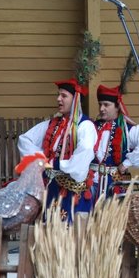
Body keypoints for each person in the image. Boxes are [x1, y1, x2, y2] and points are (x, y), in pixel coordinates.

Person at [17, 78, 98, 222]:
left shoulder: (85, 126)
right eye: (58, 95)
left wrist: (61, 165)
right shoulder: (52, 124)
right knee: (50, 229)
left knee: (72, 233)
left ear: (75, 100)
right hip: (52, 188)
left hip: (73, 191)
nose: (58, 99)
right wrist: (43, 159)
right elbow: (24, 140)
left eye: (64, 96)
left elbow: (85, 151)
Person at [91, 84, 139, 199]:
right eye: (100, 104)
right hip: (91, 184)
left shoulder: (127, 129)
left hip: (114, 185)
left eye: (106, 105)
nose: (101, 109)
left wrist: (127, 163)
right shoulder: (92, 127)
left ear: (117, 106)